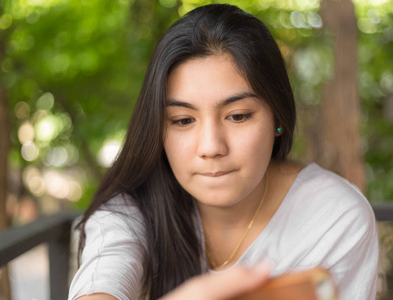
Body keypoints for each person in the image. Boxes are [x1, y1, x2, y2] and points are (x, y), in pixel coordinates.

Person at [68, 4, 378, 300]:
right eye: (183, 120)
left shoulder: (334, 219)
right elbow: (106, 275)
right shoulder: (132, 210)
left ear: (278, 119)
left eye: (238, 116)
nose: (211, 147)